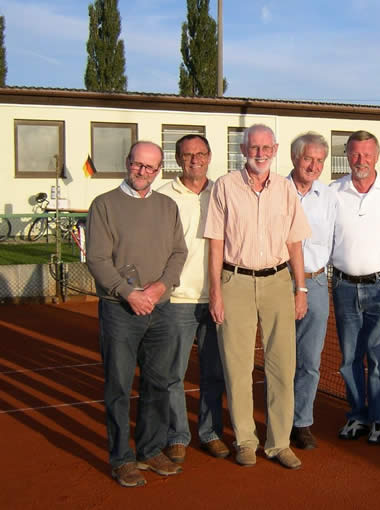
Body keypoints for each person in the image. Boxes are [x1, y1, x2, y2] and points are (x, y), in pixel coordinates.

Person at [204, 124, 311, 470]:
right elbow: (215, 242)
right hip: (235, 280)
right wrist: (216, 292)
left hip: (278, 282)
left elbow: (295, 242)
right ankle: (245, 440)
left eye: (266, 147)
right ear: (243, 149)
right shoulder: (224, 186)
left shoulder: (284, 188)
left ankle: (279, 442)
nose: (260, 153)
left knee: (283, 365)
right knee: (237, 366)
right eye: (254, 147)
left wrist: (301, 288)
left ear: (276, 149)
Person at [86, 141, 187, 487]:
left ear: (159, 170)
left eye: (150, 167)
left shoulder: (167, 206)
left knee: (159, 384)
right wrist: (129, 293)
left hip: (161, 310)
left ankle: (149, 449)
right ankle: (121, 458)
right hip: (119, 311)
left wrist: (159, 288)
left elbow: (178, 253)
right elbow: (97, 259)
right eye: (137, 164)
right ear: (127, 162)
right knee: (118, 386)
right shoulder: (104, 206)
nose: (142, 172)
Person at [329, 130, 380, 445]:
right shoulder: (332, 192)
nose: (360, 160)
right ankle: (357, 415)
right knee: (349, 358)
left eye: (367, 154)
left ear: (377, 155)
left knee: (378, 357)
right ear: (347, 155)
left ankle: (379, 418)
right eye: (354, 153)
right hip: (344, 286)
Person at [157, 134, 229, 464]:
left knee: (214, 372)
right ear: (178, 159)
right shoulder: (162, 196)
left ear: (210, 157)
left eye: (200, 153)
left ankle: (210, 433)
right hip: (177, 300)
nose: (194, 159)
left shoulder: (224, 193)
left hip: (218, 297)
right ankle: (176, 435)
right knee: (173, 373)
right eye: (187, 155)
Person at [286, 132, 338, 450]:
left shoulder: (329, 196)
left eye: (320, 160)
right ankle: (279, 421)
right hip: (279, 281)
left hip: (317, 282)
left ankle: (301, 422)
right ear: (295, 158)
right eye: (308, 158)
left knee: (309, 360)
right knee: (280, 358)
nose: (314, 165)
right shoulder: (276, 190)